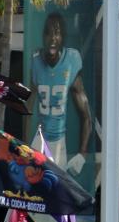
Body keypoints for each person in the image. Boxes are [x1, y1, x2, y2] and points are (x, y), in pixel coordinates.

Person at [29, 12, 92, 175]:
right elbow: (27, 108)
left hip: (58, 143)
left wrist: (82, 154)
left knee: (56, 192)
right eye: (48, 32)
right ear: (43, 36)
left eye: (57, 32)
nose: (52, 38)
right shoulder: (35, 60)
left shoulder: (71, 61)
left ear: (63, 36)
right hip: (39, 140)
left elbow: (85, 115)